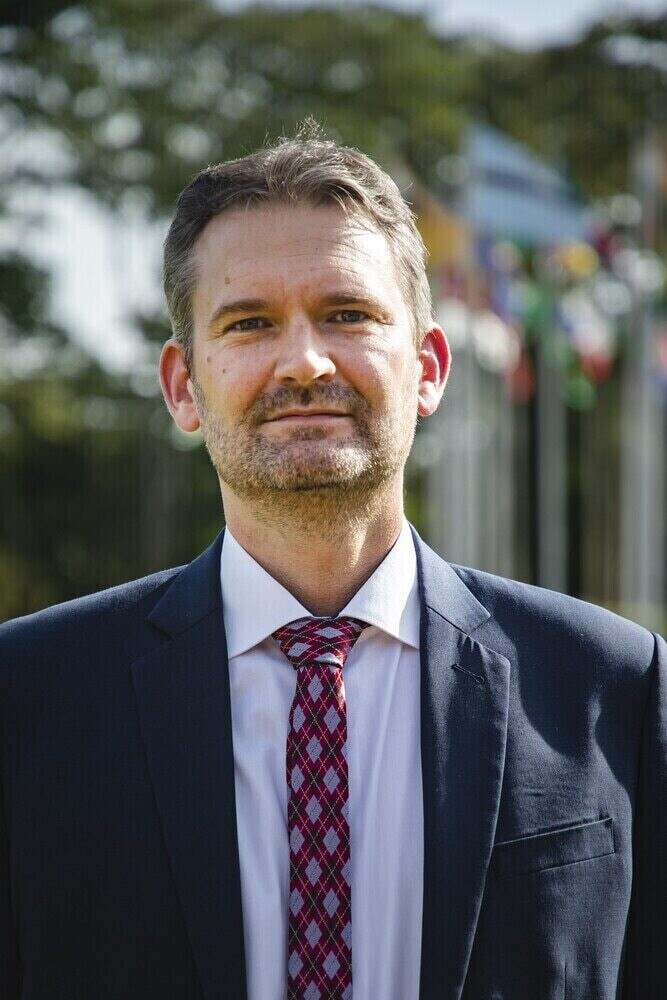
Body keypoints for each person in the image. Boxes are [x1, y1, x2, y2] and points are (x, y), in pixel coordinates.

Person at [0, 119, 664, 1000]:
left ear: (427, 368)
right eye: (249, 323)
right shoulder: (27, 695)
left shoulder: (611, 686)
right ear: (182, 387)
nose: (304, 361)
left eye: (347, 314)